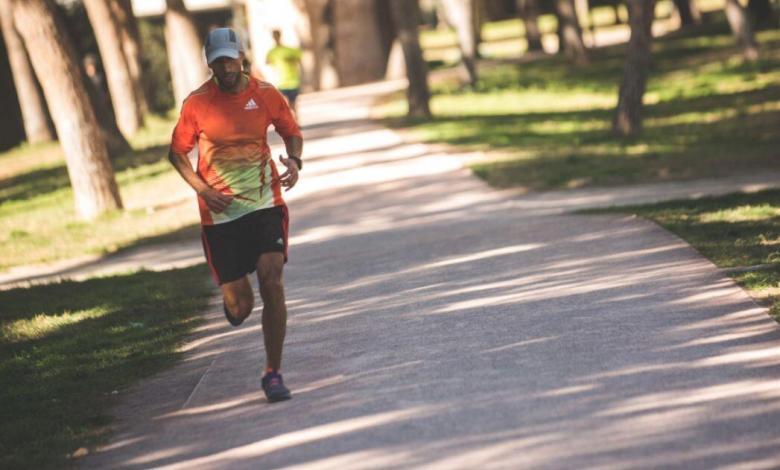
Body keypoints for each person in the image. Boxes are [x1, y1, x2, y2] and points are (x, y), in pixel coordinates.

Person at [168, 27, 303, 403]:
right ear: (209, 64)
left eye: (230, 59)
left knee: (271, 280)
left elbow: (291, 132)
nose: (225, 68)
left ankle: (273, 373)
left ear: (242, 56)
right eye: (217, 62)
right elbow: (177, 152)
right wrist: (203, 190)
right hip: (222, 216)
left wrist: (294, 160)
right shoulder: (197, 103)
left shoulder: (265, 94)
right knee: (241, 307)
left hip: (264, 203)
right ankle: (234, 304)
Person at [265, 29, 303, 114]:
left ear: (280, 36)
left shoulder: (290, 50)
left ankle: (295, 121)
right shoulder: (271, 52)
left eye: (277, 35)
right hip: (280, 82)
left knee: (293, 104)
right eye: (274, 36)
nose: (276, 37)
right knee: (285, 104)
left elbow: (299, 60)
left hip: (293, 81)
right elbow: (267, 62)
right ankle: (291, 122)